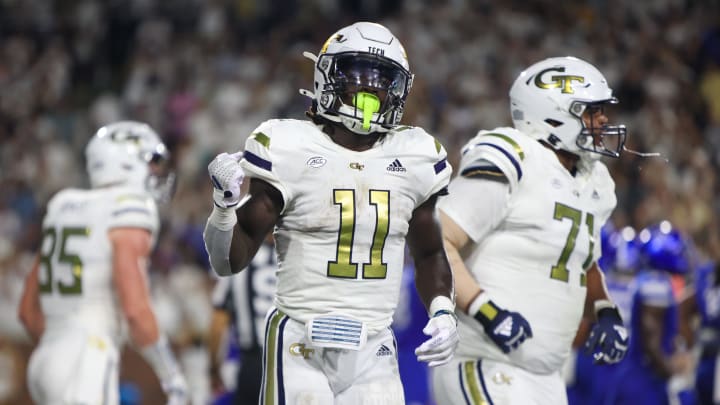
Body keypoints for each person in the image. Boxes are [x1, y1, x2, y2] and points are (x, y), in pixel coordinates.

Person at [203, 21, 458, 404]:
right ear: (327, 78)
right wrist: (224, 208)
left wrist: (442, 311)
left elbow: (429, 253)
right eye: (357, 74)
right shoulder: (289, 146)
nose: (371, 87)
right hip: (299, 339)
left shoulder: (416, 155)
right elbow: (227, 261)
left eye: (383, 79)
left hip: (375, 343)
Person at [432, 56, 630, 404]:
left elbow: (581, 265)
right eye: (591, 111)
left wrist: (606, 312)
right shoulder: (513, 156)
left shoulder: (595, 180)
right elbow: (439, 244)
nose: (603, 121)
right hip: (485, 363)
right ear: (552, 112)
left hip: (547, 377)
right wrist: (486, 312)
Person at [18, 121, 188, 404]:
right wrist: (171, 374)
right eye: (151, 163)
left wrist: (59, 351)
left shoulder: (63, 205)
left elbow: (27, 310)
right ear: (125, 163)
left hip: (45, 359)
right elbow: (135, 310)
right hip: (87, 354)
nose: (157, 173)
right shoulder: (128, 207)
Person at [604, 221, 695, 405]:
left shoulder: (646, 280)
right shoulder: (656, 283)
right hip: (644, 380)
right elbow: (651, 342)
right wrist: (672, 371)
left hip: (631, 375)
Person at [209, 233, 277, 404]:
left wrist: (213, 368)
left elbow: (218, 325)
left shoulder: (239, 262)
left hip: (253, 365)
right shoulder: (294, 260)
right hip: (291, 364)